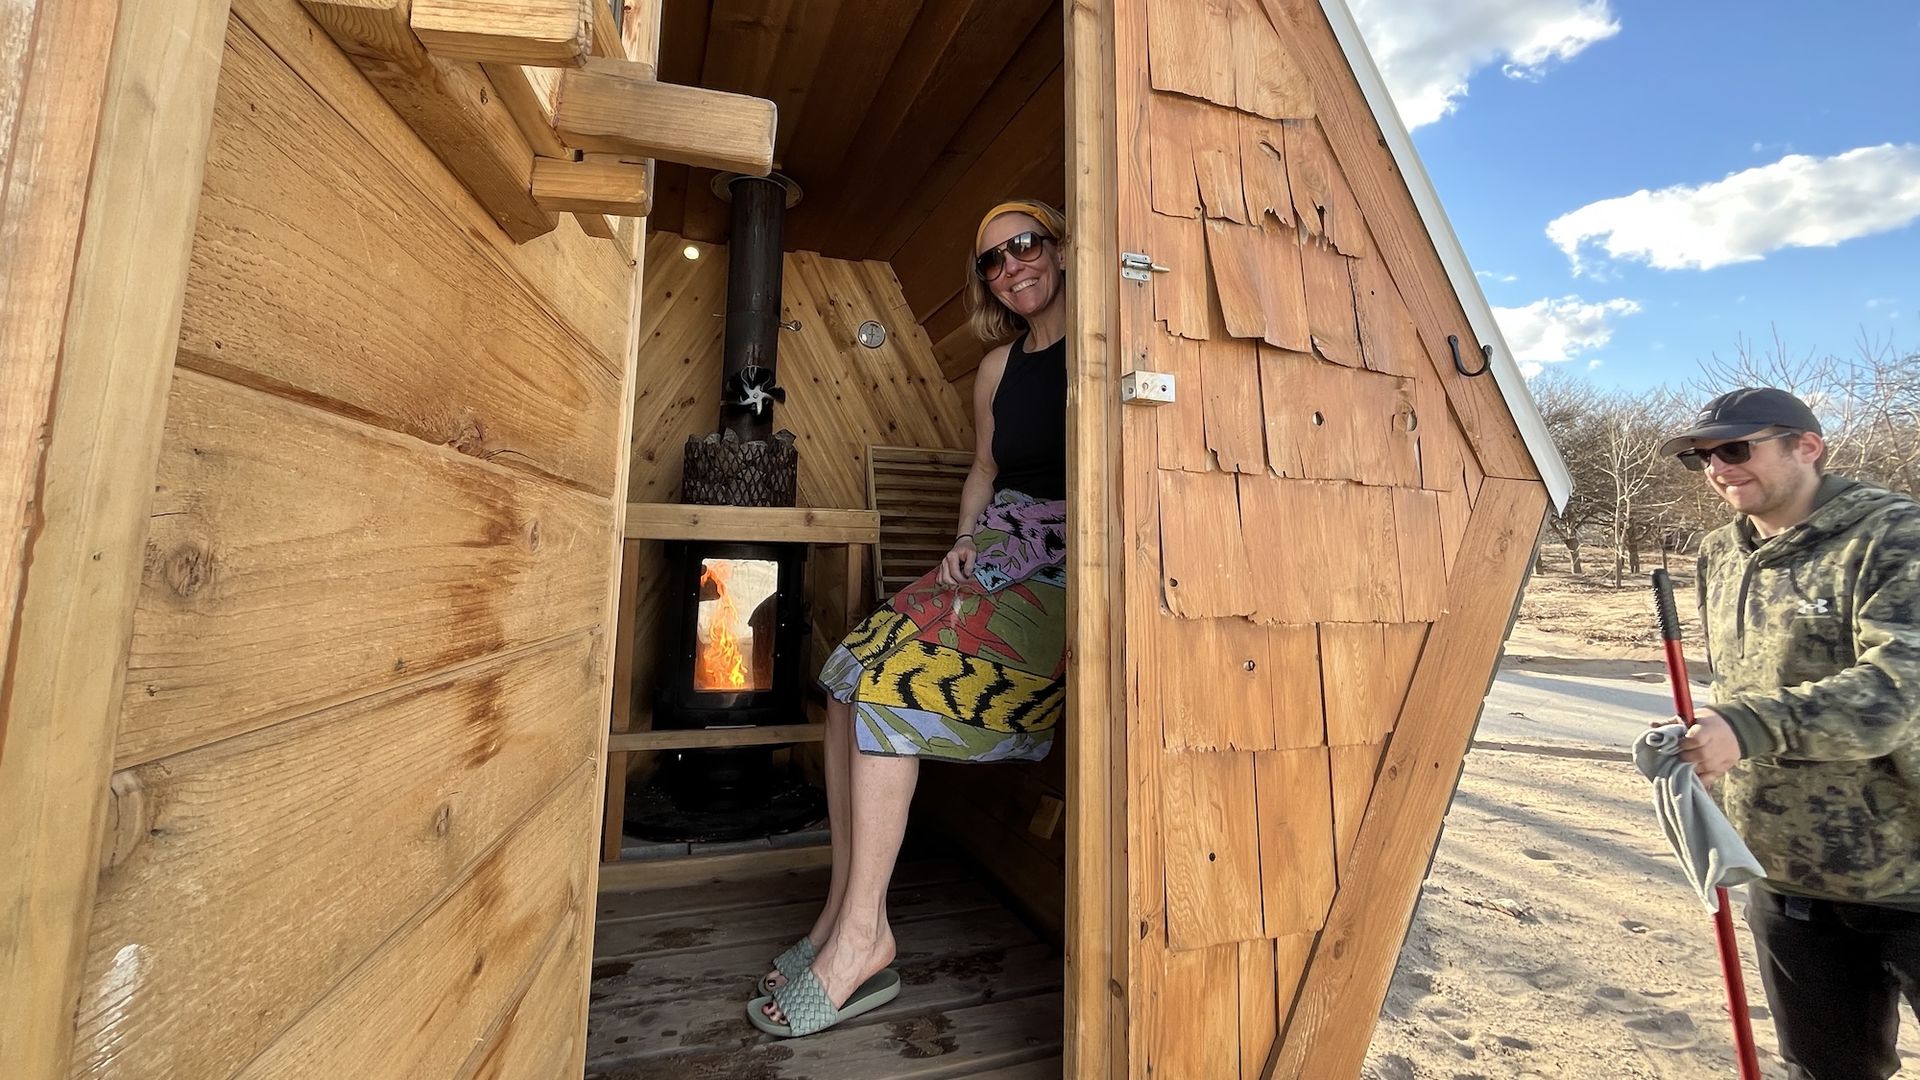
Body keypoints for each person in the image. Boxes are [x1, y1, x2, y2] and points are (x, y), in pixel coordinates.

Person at [746, 199, 1071, 1037]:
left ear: (1062, 247)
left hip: (1063, 576)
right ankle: (842, 917)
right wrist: (963, 541)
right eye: (992, 261)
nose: (1010, 267)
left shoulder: (1107, 348)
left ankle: (862, 943)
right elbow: (986, 470)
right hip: (991, 558)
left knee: (892, 684)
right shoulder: (1000, 368)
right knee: (848, 671)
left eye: (1025, 245)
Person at [1657, 386, 1920, 1080]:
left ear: (1808, 446)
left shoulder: (1896, 536)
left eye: (1736, 448)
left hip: (1909, 871)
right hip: (1786, 874)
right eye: (1701, 456)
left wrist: (1745, 728)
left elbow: (1898, 692)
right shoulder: (1721, 553)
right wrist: (1707, 745)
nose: (1717, 467)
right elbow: (1743, 684)